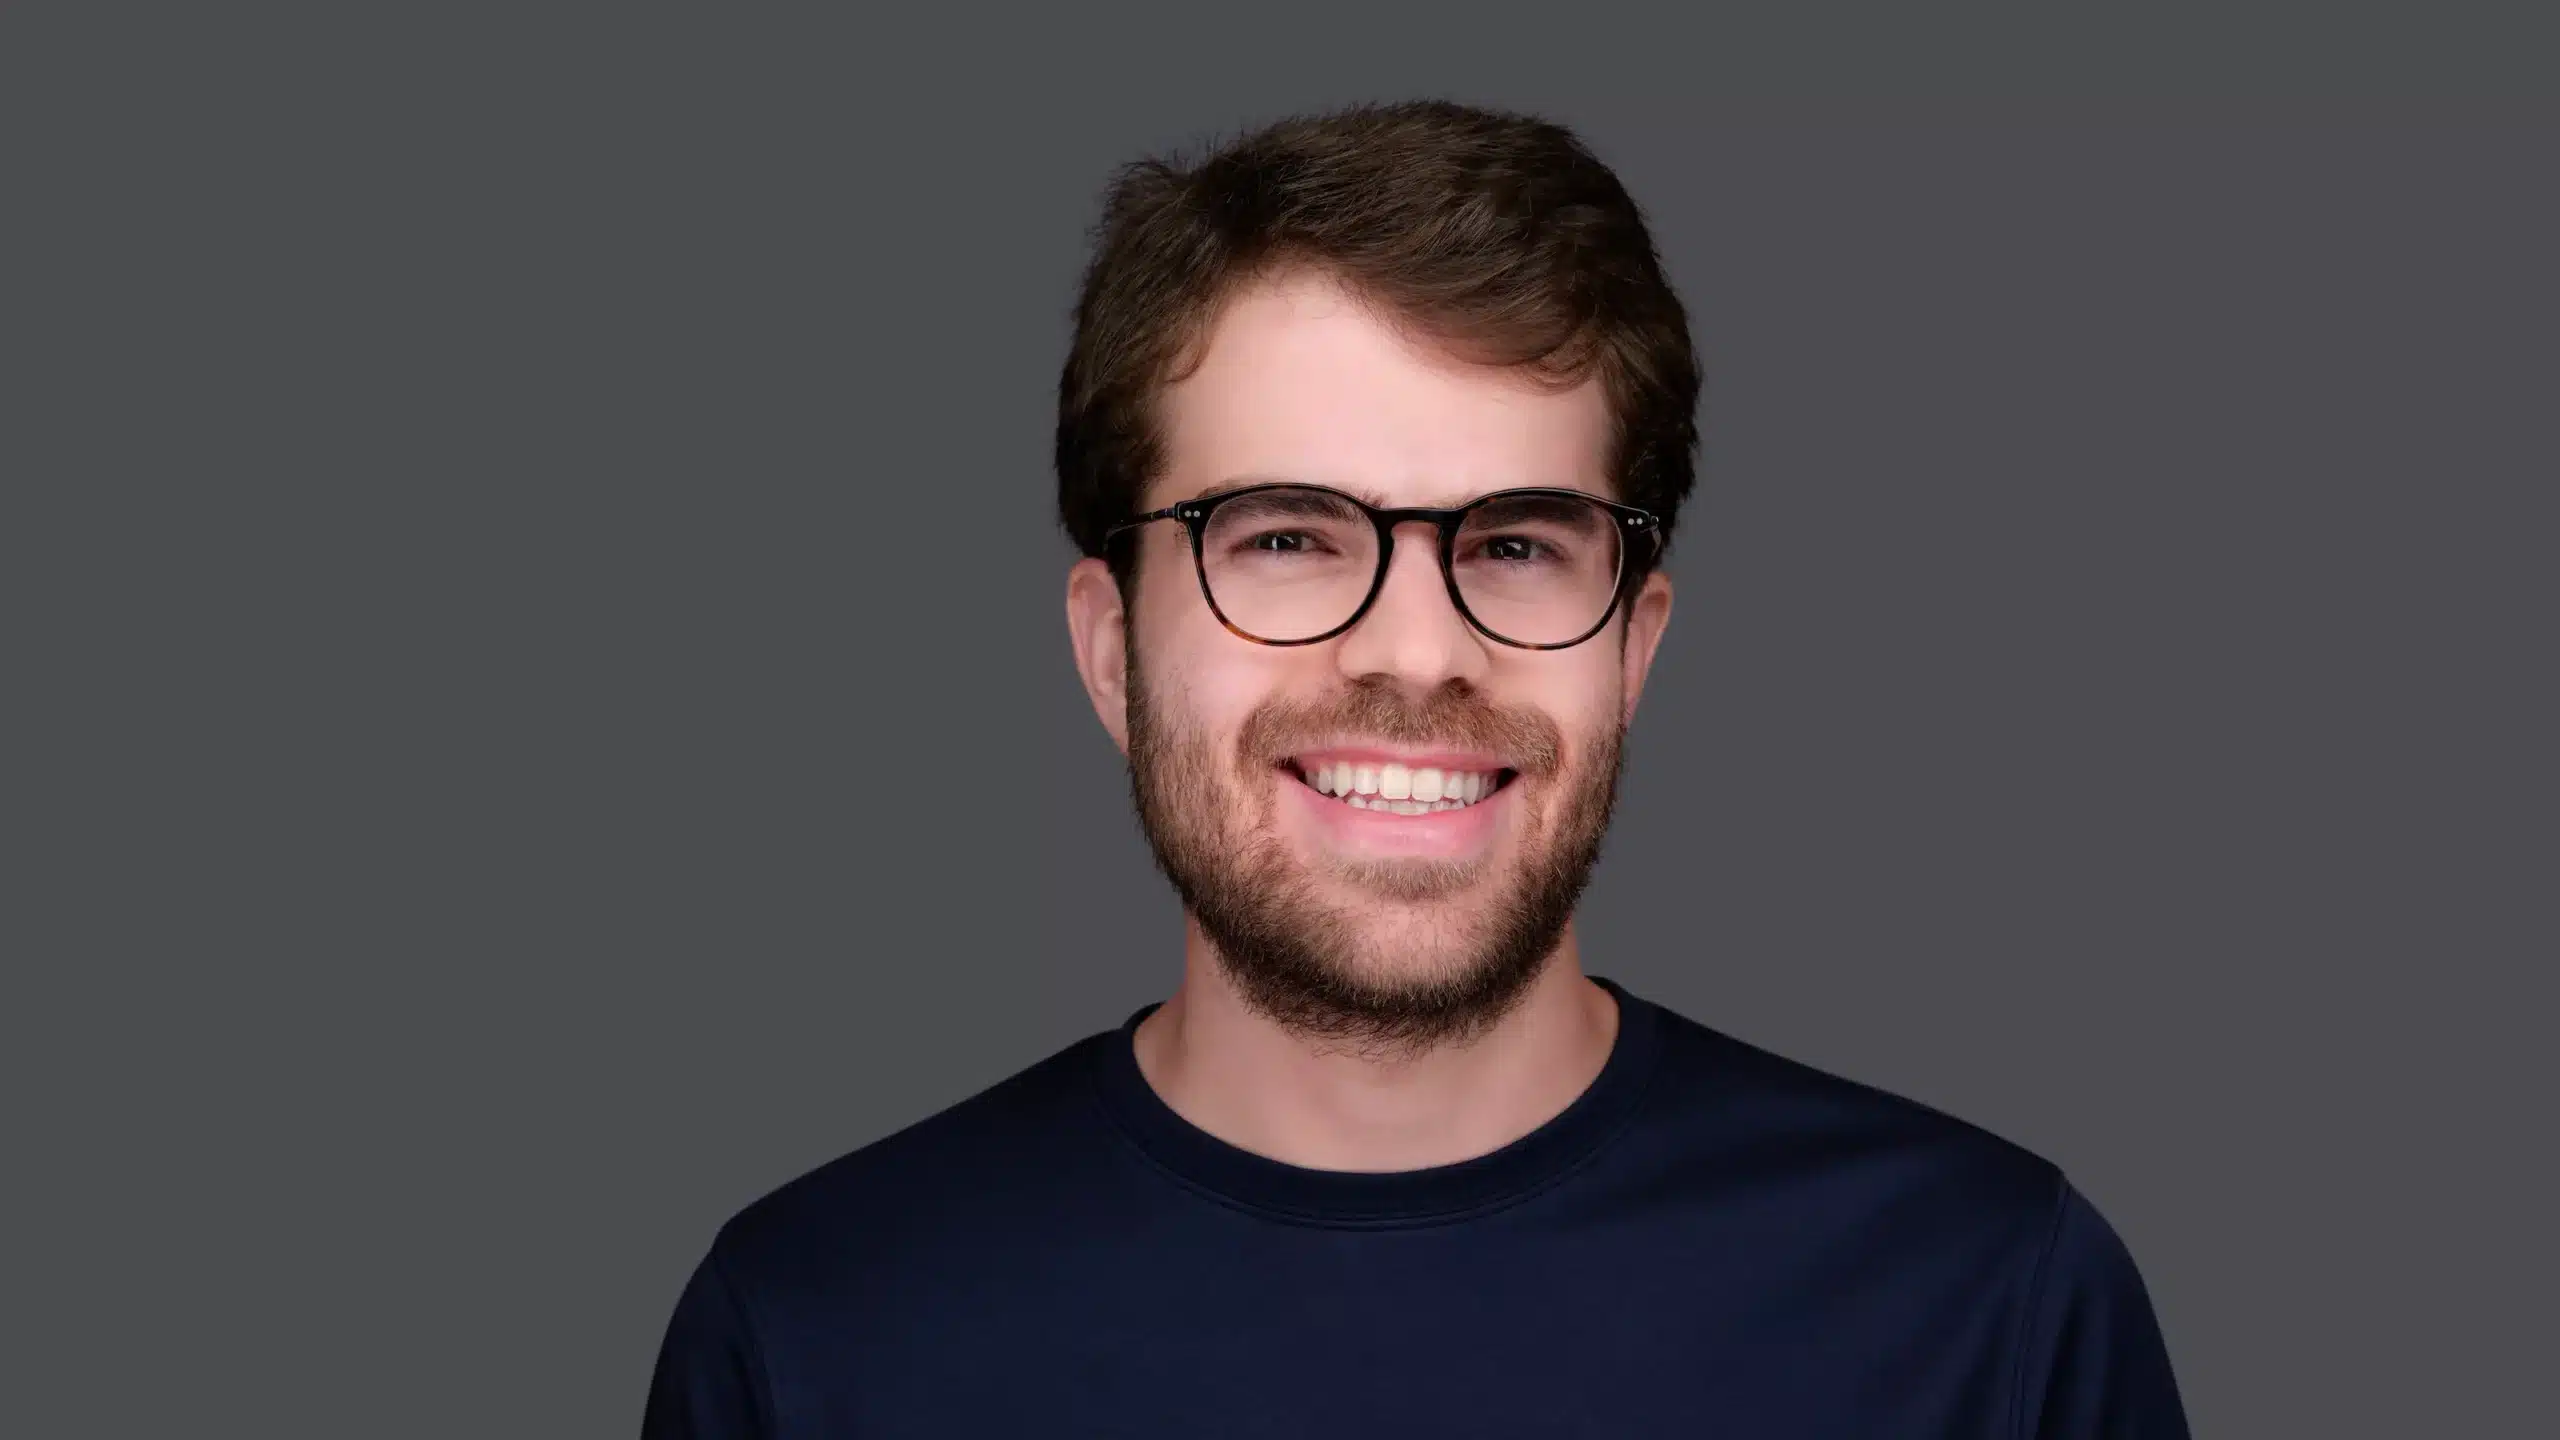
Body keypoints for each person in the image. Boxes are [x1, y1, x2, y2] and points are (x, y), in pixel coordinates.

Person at [641, 98, 2189, 1438]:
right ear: (1112, 651)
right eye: (1287, 539)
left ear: (1634, 649)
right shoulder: (816, 1334)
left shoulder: (1989, 1307)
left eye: (1515, 544)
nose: (1416, 651)